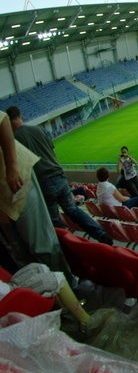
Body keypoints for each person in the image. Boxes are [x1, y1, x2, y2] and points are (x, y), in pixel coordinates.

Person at [6, 106, 112, 245]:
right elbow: (51, 151)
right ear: (21, 117)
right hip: (59, 176)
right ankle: (101, 234)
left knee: (55, 219)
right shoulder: (38, 129)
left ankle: (70, 245)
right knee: (73, 210)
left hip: (43, 183)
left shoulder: (14, 140)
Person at [0, 109, 71, 275]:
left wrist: (12, 168)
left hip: (14, 184)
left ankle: (67, 286)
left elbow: (2, 119)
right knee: (20, 249)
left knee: (41, 242)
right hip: (5, 197)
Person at [0, 262, 90, 329]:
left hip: (9, 288)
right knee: (57, 279)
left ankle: (66, 308)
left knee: (40, 268)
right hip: (12, 299)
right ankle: (86, 321)